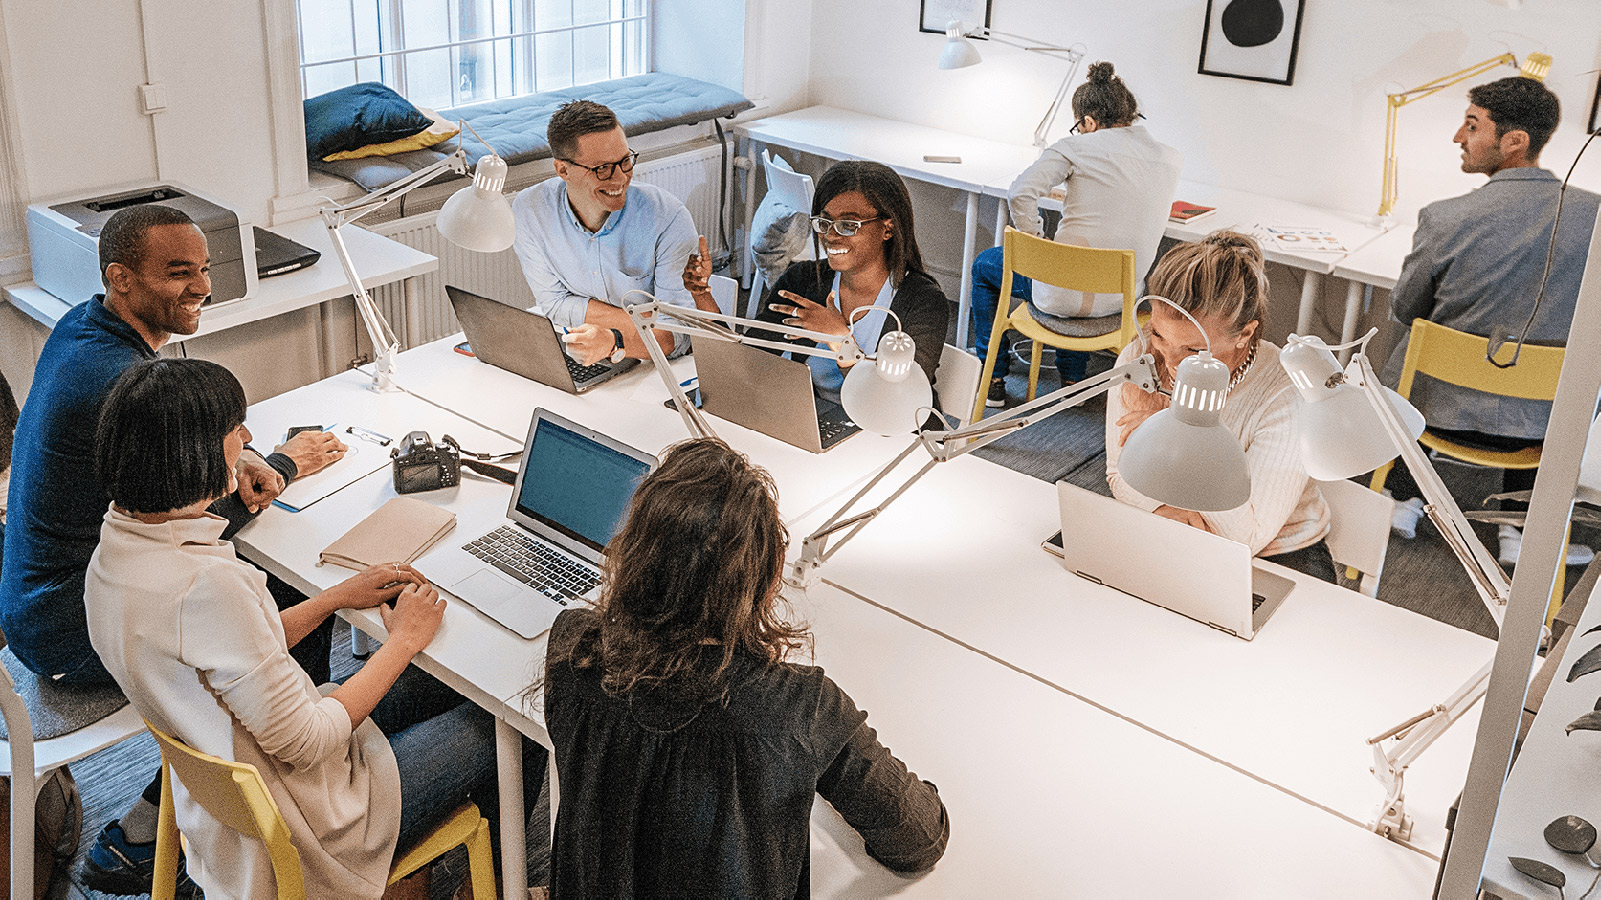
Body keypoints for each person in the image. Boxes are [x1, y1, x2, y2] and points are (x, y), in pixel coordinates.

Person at [84, 357, 547, 898]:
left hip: (228, 802)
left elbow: (229, 652)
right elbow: (308, 743)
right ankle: (483, 884)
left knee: (439, 681)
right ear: (194, 455)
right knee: (514, 714)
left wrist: (333, 599)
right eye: (235, 430)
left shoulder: (114, 554)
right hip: (312, 828)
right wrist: (401, 642)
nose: (249, 437)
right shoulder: (206, 587)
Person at [0, 204, 348, 894]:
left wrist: (231, 453)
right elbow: (192, 525)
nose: (202, 288)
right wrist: (282, 463)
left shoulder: (82, 327)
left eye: (204, 269)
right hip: (71, 627)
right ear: (121, 279)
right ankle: (217, 802)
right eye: (178, 273)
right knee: (274, 596)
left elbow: (163, 497)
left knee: (252, 597)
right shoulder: (114, 382)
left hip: (39, 595)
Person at [542, 438, 950, 895]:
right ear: (768, 577)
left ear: (634, 552)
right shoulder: (802, 709)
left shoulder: (573, 647)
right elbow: (920, 839)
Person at [1382, 75, 1600, 565]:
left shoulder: (1445, 218)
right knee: (1547, 360)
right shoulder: (1596, 217)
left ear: (1514, 141)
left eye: (1472, 125)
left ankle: (1402, 497)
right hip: (1542, 430)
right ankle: (1518, 531)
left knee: (1410, 345)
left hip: (1437, 417)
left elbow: (1404, 309)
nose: (1459, 137)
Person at [1106, 232, 1335, 581]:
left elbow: (1247, 536)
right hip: (1168, 523)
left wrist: (1173, 443)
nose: (1170, 363)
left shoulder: (1284, 390)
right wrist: (1167, 510)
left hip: (1277, 552)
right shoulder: (1140, 359)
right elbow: (1118, 475)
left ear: (1244, 334)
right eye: (1159, 334)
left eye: (1194, 351)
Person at [973, 61, 1182, 406]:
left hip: (1062, 299)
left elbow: (1021, 191)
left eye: (1080, 127)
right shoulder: (1171, 159)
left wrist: (1037, 246)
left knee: (986, 265)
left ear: (1088, 122)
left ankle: (993, 378)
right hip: (1124, 301)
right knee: (1084, 263)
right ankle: (1073, 382)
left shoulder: (1075, 148)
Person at [512, 99, 709, 366]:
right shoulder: (531, 210)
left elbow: (675, 335)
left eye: (625, 161)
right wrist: (639, 326)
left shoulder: (667, 218)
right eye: (602, 169)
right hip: (586, 348)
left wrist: (614, 340)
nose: (619, 179)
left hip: (661, 368)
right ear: (562, 169)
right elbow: (554, 306)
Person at [745, 160, 947, 403]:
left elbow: (893, 406)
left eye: (848, 225)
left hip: (892, 433)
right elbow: (749, 363)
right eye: (824, 222)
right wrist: (704, 298)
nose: (830, 235)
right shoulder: (804, 280)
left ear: (888, 228)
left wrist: (842, 343)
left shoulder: (923, 302)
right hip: (819, 418)